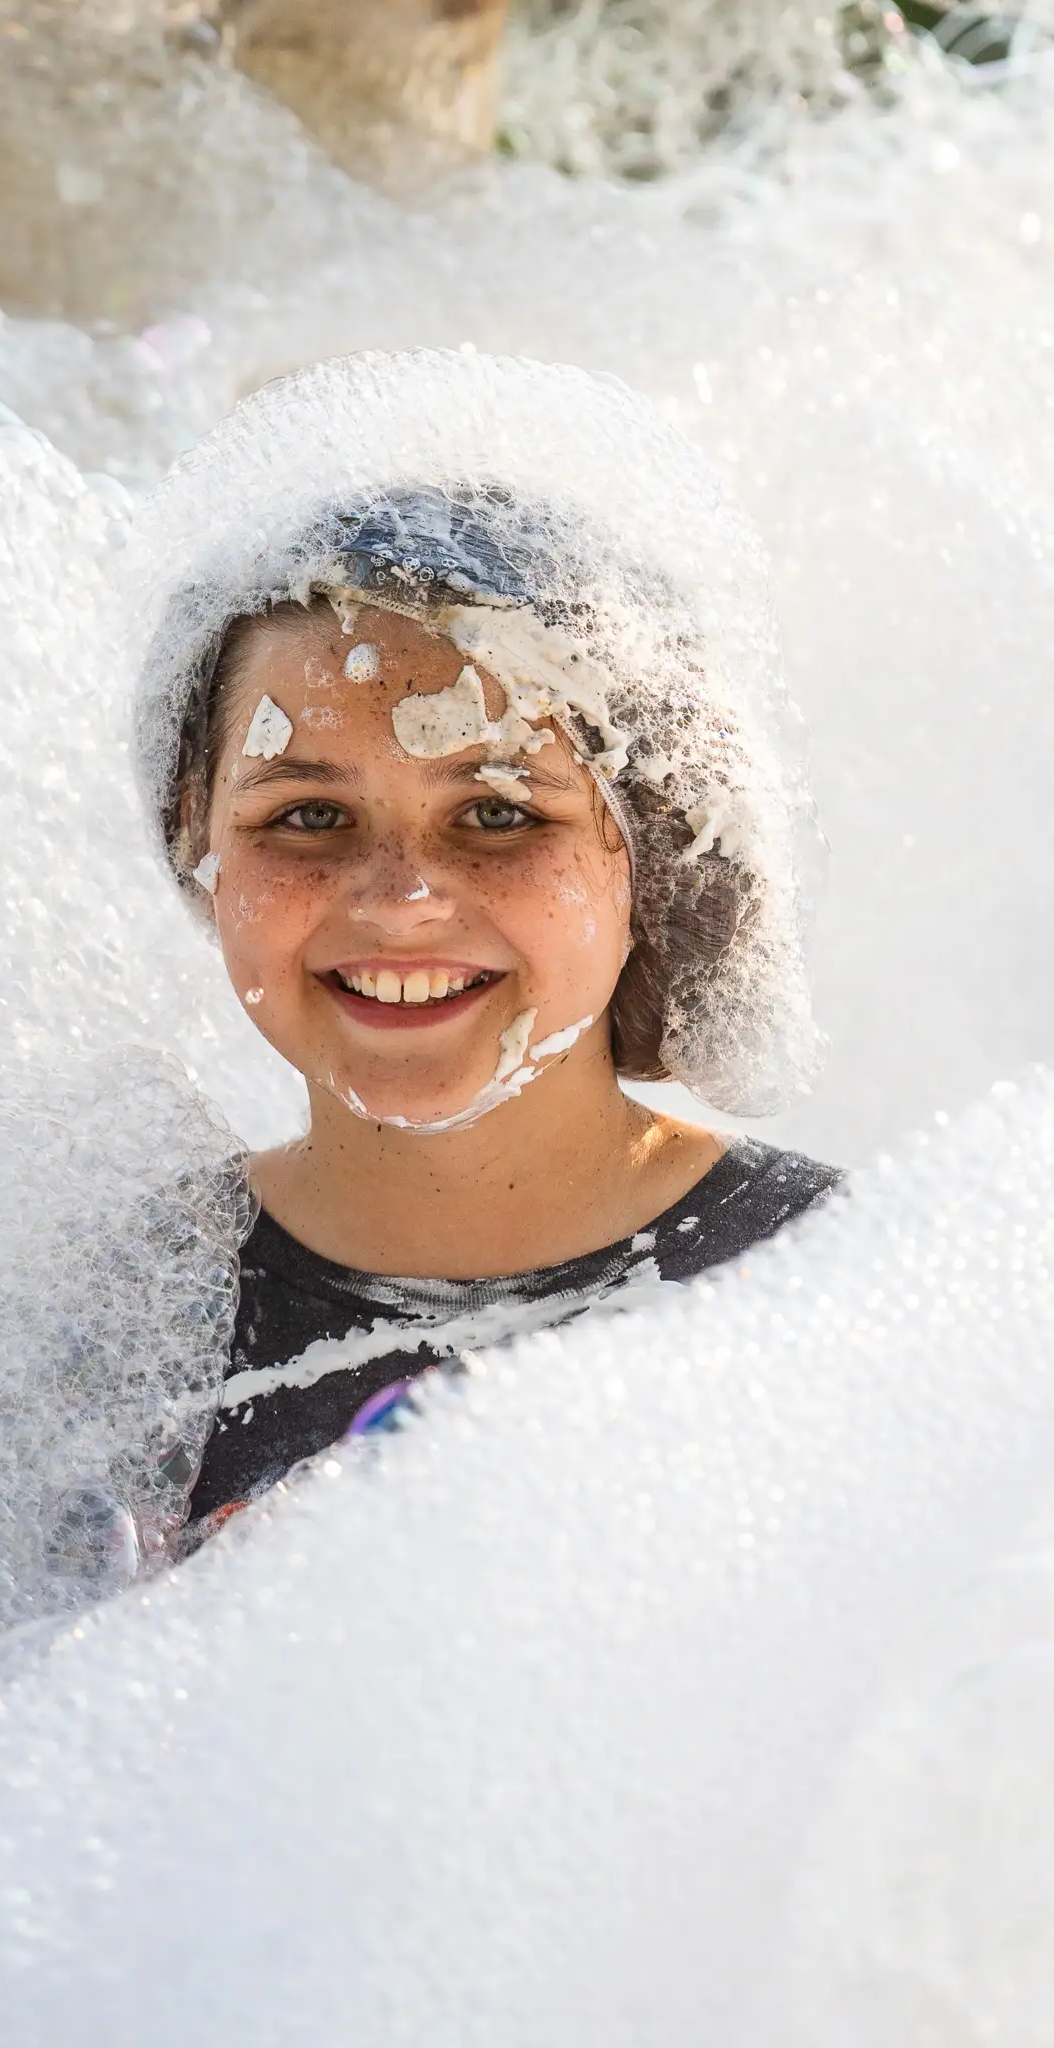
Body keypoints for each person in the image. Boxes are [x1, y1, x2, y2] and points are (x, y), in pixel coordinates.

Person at [124, 348, 841, 1551]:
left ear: (646, 850)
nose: (401, 900)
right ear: (200, 841)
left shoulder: (842, 1291)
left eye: (499, 812)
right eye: (307, 815)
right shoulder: (99, 1327)